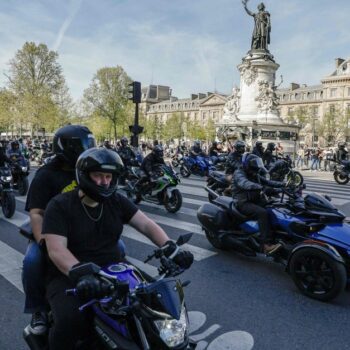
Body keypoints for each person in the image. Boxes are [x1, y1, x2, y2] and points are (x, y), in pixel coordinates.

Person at [42, 148, 194, 350]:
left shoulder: (116, 201)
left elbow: (146, 224)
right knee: (70, 319)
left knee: (158, 303)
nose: (105, 182)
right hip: (71, 275)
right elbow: (56, 250)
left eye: (108, 176)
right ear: (84, 175)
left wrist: (170, 247)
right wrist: (81, 275)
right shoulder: (60, 205)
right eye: (98, 176)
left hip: (115, 269)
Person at [22, 125, 97, 335]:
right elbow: (36, 213)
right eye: (84, 146)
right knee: (32, 260)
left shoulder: (86, 172)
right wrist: (43, 242)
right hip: (51, 232)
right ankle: (38, 309)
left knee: (119, 246)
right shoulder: (46, 175)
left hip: (81, 230)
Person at [232, 153, 284, 254]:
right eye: (254, 163)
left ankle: (276, 235)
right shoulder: (239, 173)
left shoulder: (254, 174)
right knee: (262, 213)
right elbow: (245, 184)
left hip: (254, 200)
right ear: (248, 164)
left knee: (275, 207)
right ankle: (265, 245)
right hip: (242, 202)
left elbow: (268, 182)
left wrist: (284, 185)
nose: (256, 166)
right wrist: (260, 187)